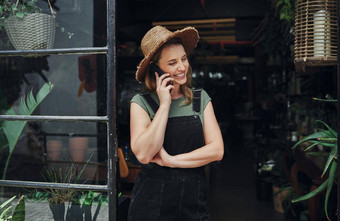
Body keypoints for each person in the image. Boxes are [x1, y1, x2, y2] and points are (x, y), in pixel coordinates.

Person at [128, 25, 224, 221]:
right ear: (155, 69)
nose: (182, 67)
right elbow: (144, 154)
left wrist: (171, 161)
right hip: (151, 203)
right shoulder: (141, 103)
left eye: (184, 58)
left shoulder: (200, 99)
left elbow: (217, 151)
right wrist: (164, 105)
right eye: (172, 63)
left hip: (193, 200)